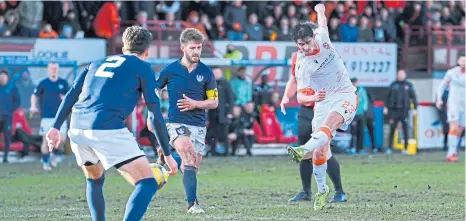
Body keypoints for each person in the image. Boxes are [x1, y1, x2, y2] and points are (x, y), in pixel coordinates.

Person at [45, 26, 178, 221]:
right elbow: (155, 115)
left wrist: (55, 127)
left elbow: (72, 93)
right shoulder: (143, 67)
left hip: (77, 127)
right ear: (147, 51)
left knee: (95, 178)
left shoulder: (96, 63)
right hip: (106, 128)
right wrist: (167, 154)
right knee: (147, 183)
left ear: (124, 46)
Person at [283, 4, 357, 211]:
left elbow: (322, 21)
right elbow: (299, 95)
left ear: (313, 37)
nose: (304, 48)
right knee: (320, 152)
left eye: (306, 43)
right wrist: (313, 96)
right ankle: (322, 191)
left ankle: (302, 149)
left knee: (330, 124)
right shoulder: (302, 63)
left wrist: (322, 9)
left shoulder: (323, 38)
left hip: (344, 94)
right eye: (300, 45)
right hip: (322, 100)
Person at [155, 28, 218, 214]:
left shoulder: (206, 73)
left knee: (191, 167)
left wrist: (194, 104)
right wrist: (153, 113)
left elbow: (214, 102)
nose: (197, 52)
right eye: (193, 48)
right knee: (189, 157)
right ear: (183, 48)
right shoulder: (170, 70)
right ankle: (193, 205)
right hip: (176, 122)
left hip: (198, 124)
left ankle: (167, 157)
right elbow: (154, 90)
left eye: (199, 48)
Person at [281, 52, 347, 203]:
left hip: (325, 107)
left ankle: (339, 192)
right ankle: (306, 192)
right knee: (304, 148)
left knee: (323, 149)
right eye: (299, 43)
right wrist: (286, 96)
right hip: (307, 107)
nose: (302, 46)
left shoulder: (329, 54)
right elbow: (293, 79)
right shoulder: (296, 56)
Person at [30, 62, 70, 171]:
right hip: (47, 117)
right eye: (52, 68)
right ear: (48, 70)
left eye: (55, 68)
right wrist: (33, 106)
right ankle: (46, 163)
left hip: (61, 117)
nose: (54, 70)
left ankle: (54, 155)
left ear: (58, 69)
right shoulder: (43, 83)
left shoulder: (64, 83)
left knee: (61, 140)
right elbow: (35, 95)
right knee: (46, 141)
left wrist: (65, 99)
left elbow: (70, 97)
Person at [436, 52, 465, 162]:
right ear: (458, 61)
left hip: (464, 105)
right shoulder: (452, 73)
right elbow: (442, 85)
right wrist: (439, 99)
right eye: (462, 60)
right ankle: (450, 153)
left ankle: (454, 150)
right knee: (454, 126)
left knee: (461, 129)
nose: (464, 63)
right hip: (454, 104)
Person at [384, 70, 418, 154]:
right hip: (394, 111)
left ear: (405, 75)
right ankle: (389, 148)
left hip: (404, 111)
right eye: (399, 74)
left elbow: (413, 97)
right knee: (392, 129)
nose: (400, 76)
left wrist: (415, 109)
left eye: (402, 74)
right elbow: (387, 97)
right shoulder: (393, 85)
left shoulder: (408, 85)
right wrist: (385, 107)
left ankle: (405, 148)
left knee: (405, 130)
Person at [0, 70, 20, 163]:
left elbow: (17, 101)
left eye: (4, 76)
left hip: (7, 117)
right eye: (1, 76)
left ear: (7, 78)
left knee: (7, 136)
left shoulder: (12, 88)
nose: (2, 78)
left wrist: (11, 109)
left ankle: (5, 157)